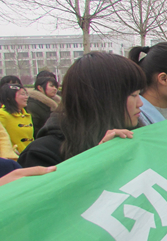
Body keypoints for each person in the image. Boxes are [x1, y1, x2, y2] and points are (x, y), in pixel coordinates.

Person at [18, 52, 146, 167]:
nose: (140, 104)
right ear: (102, 99)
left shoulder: (133, 135)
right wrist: (99, 160)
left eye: (139, 94)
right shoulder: (41, 155)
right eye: (133, 95)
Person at [0, 83, 33, 154]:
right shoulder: (1, 115)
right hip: (13, 156)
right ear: (9, 97)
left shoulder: (25, 114)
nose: (26, 97)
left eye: (26, 94)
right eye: (22, 94)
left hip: (28, 154)